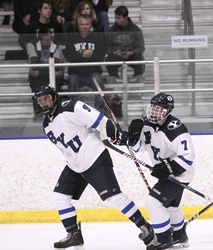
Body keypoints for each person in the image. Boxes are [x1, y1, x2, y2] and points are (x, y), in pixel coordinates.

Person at [33, 85, 154, 249]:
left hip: (95, 158)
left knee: (113, 198)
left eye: (46, 98)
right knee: (60, 196)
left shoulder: (71, 107)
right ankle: (74, 234)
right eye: (40, 100)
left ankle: (145, 227)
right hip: (75, 166)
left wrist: (115, 134)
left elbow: (99, 121)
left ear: (54, 97)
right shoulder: (47, 124)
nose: (44, 103)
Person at [125, 93, 195, 250]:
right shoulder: (146, 124)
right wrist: (133, 137)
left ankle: (163, 240)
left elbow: (188, 155)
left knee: (153, 202)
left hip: (180, 174)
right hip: (166, 174)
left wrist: (168, 168)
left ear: (167, 111)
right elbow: (138, 149)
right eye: (153, 108)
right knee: (171, 208)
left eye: (159, 109)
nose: (155, 112)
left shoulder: (175, 128)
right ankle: (179, 236)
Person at [65, 14, 106, 112]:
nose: (84, 26)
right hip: (76, 73)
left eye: (87, 24)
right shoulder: (71, 38)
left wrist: (92, 55)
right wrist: (82, 56)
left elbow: (101, 56)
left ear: (91, 25)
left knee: (99, 80)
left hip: (93, 72)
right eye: (82, 24)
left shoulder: (98, 38)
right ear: (78, 25)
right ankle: (72, 109)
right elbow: (68, 56)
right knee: (72, 80)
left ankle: (101, 110)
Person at [26, 28, 64, 120]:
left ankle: (56, 111)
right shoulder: (32, 45)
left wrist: (41, 72)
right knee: (35, 79)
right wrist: (43, 72)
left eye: (50, 34)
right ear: (41, 37)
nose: (50, 37)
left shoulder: (56, 45)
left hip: (48, 74)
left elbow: (57, 63)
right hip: (39, 76)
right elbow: (34, 63)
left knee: (56, 79)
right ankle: (38, 112)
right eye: (46, 35)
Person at [105, 5, 146, 84]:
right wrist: (114, 53)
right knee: (109, 59)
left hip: (132, 55)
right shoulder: (111, 30)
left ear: (126, 17)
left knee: (141, 59)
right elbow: (107, 47)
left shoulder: (136, 30)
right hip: (116, 56)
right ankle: (113, 79)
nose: (116, 20)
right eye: (115, 17)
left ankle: (137, 79)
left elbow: (141, 47)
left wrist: (132, 52)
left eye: (119, 18)